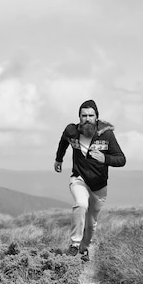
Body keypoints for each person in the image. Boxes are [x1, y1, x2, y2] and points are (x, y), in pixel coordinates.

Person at [54, 99, 126, 261]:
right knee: (81, 204)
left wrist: (105, 159)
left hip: (99, 185)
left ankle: (84, 248)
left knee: (91, 222)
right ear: (79, 117)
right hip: (78, 178)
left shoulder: (106, 135)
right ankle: (74, 244)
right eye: (84, 115)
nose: (87, 118)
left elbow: (121, 159)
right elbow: (63, 143)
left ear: (97, 117)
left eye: (90, 115)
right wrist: (59, 159)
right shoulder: (71, 131)